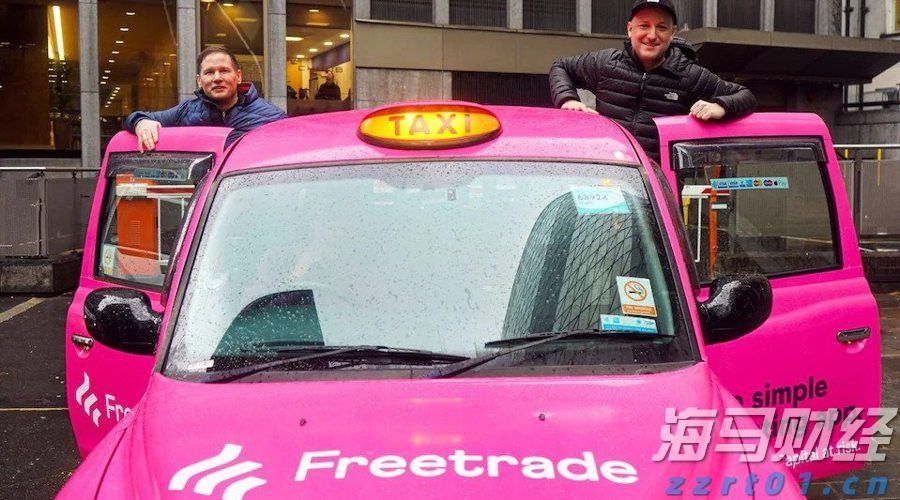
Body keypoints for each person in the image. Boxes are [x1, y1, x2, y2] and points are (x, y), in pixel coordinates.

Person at [549, 0, 756, 162]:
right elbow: (561, 66)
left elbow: (745, 96)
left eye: (661, 27)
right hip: (607, 174)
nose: (651, 35)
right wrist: (568, 100)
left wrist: (720, 106)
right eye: (644, 26)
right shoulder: (606, 63)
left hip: (656, 187)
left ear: (673, 33)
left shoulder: (689, 75)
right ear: (630, 29)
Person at [124, 46, 287, 152]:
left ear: (238, 76)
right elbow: (138, 117)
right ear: (199, 80)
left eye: (224, 71)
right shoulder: (185, 111)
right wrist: (140, 122)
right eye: (209, 72)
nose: (217, 78)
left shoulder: (272, 117)